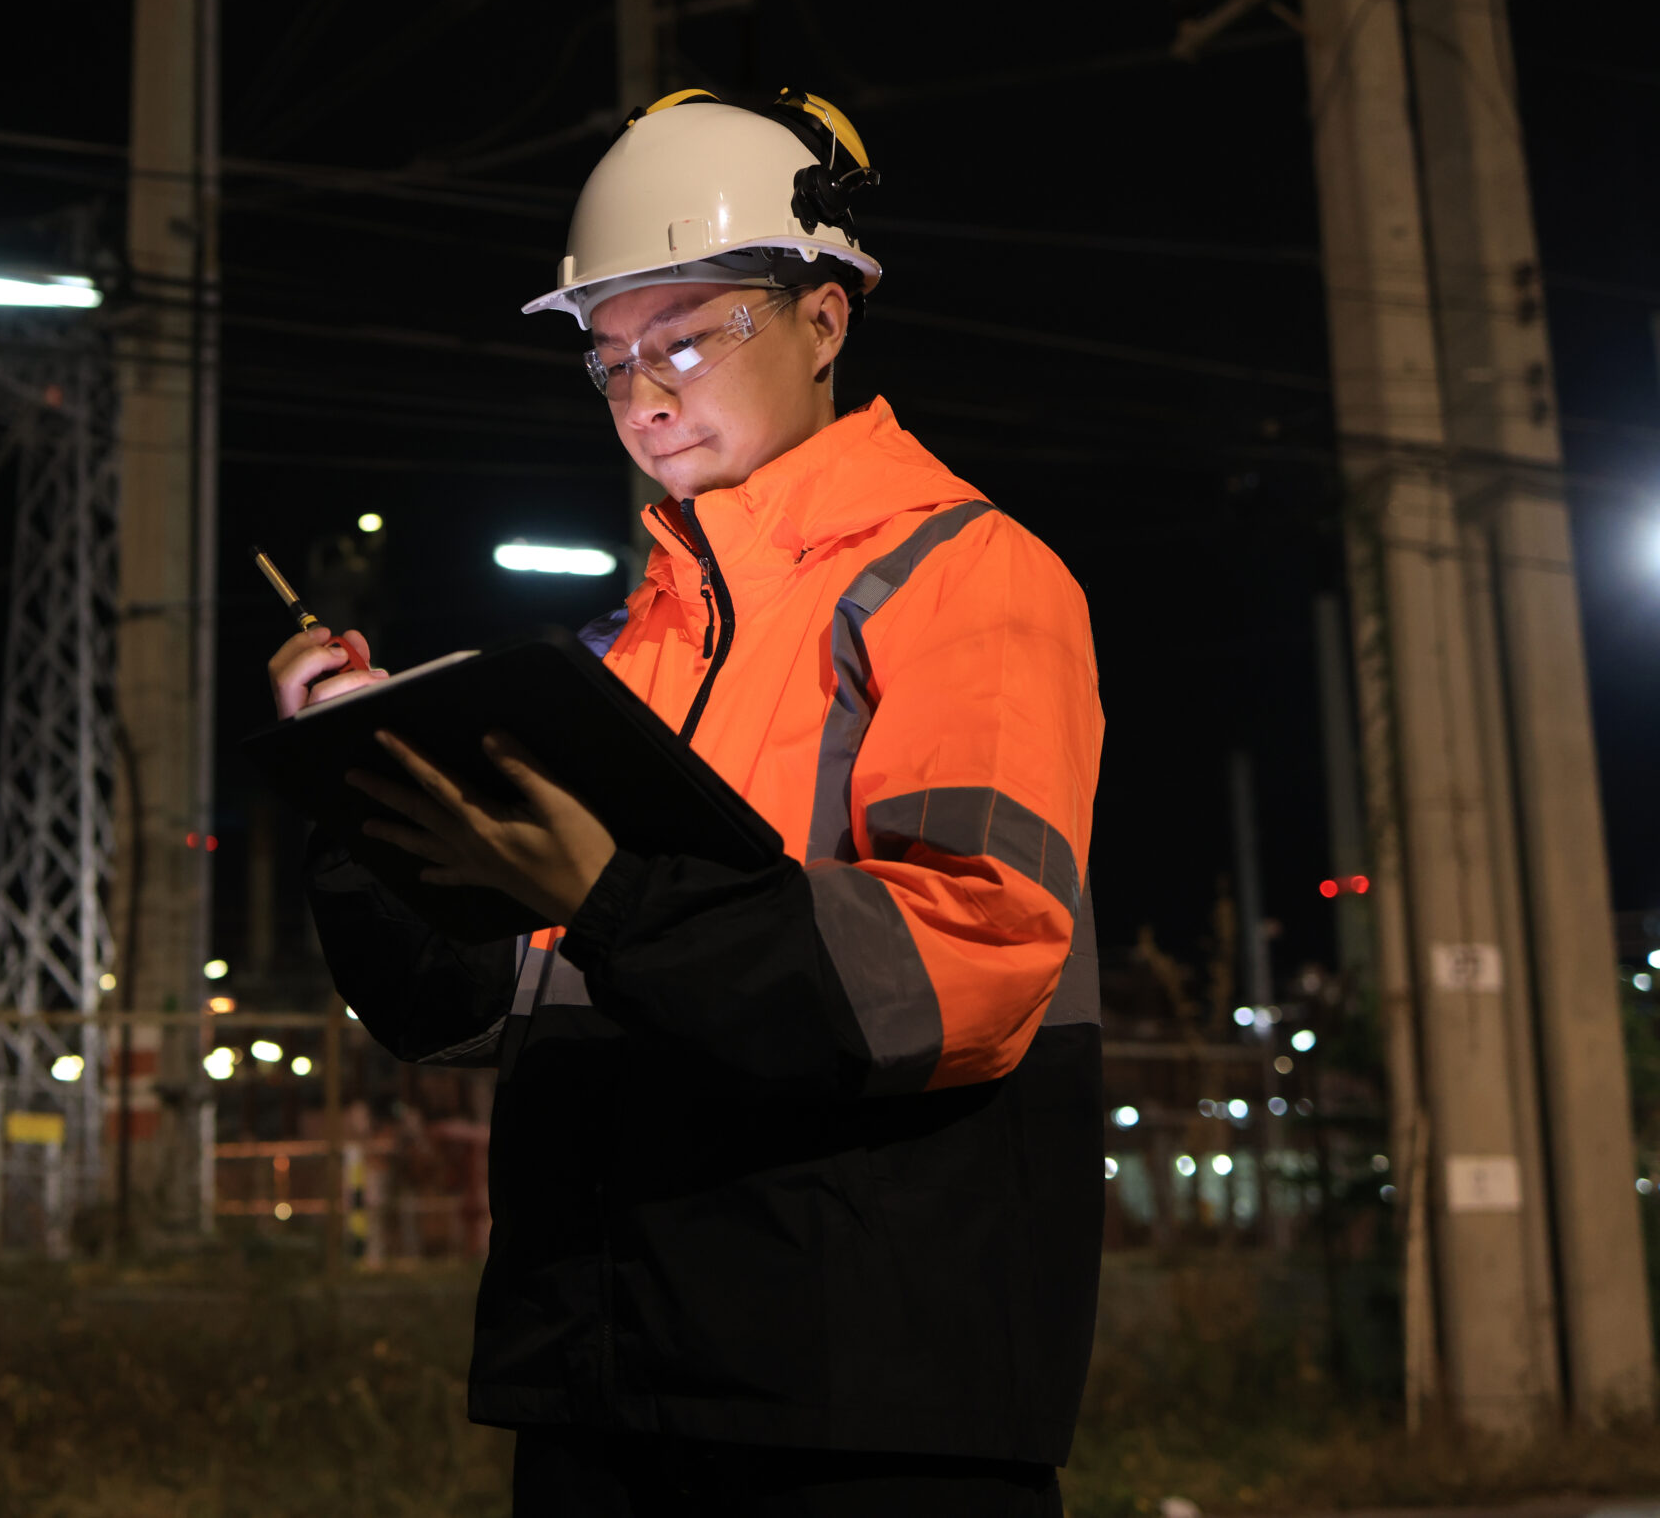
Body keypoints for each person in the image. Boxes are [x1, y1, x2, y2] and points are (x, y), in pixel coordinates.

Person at [267, 90, 1104, 1517]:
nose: (644, 393)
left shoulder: (964, 575)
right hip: (606, 1386)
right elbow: (460, 1011)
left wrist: (609, 894)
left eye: (688, 340)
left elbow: (966, 961)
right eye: (607, 359)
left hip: (868, 1407)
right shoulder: (607, 662)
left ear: (826, 321)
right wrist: (365, 785)